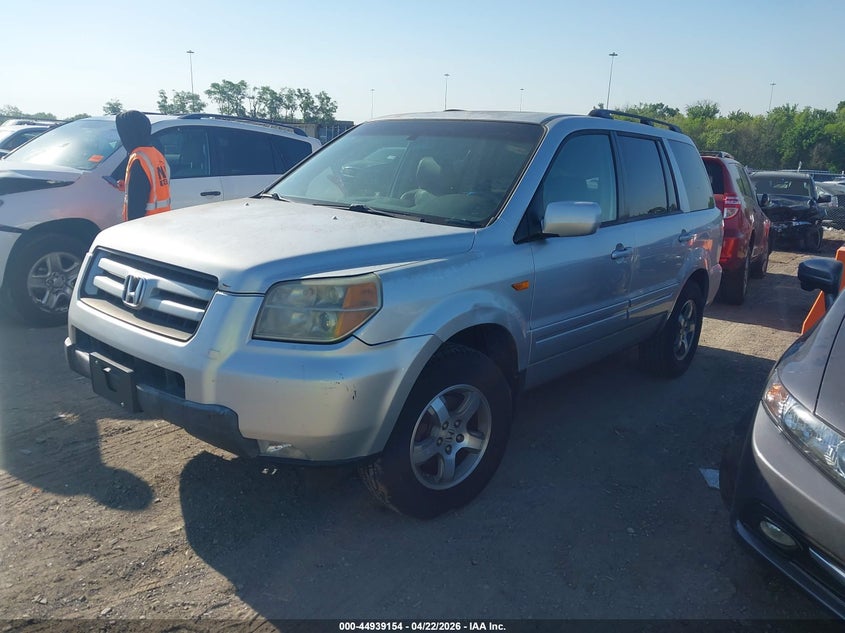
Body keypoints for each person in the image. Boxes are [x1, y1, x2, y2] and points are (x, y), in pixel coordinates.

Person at [115, 110, 171, 221]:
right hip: (161, 221)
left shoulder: (138, 158)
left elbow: (136, 205)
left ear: (129, 134)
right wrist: (128, 186)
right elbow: (152, 188)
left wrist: (131, 228)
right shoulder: (156, 154)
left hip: (144, 225)